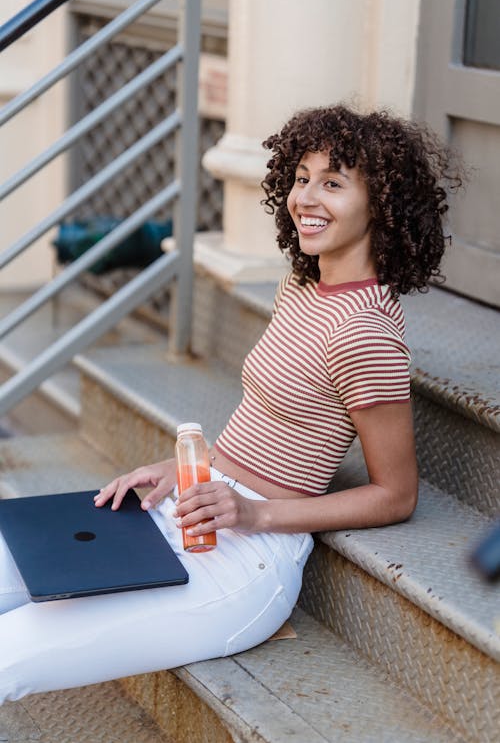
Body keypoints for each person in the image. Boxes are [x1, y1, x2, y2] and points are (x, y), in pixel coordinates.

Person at [0, 104, 462, 703]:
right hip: (196, 507)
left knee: (11, 653)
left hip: (245, 565)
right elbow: (276, 421)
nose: (306, 198)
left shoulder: (366, 333)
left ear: (381, 206)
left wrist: (254, 515)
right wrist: (185, 470)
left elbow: (396, 495)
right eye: (301, 178)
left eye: (333, 183)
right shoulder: (301, 285)